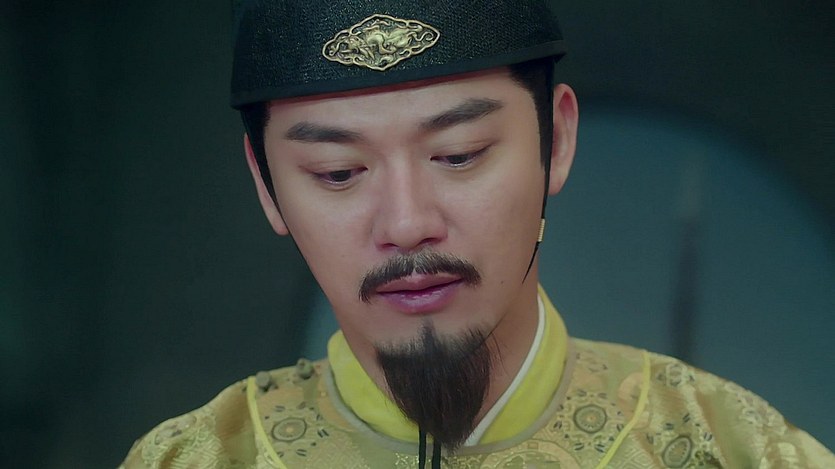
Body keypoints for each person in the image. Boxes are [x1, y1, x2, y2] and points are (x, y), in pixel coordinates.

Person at [121, 0, 834, 467]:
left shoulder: (730, 449)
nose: (407, 223)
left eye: (458, 155)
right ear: (266, 184)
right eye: (338, 172)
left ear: (556, 139)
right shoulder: (193, 459)